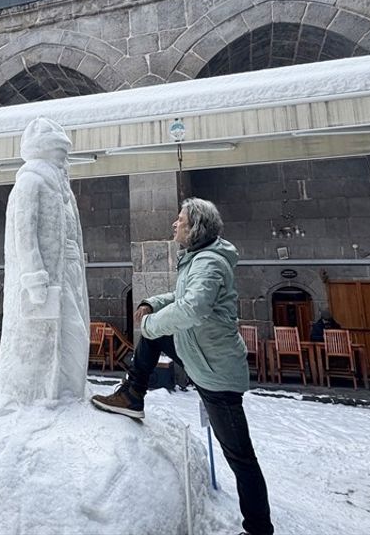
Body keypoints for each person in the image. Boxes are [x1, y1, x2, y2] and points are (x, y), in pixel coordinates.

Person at [91, 197, 274, 535]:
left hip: (216, 374)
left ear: (195, 228)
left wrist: (150, 324)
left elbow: (192, 309)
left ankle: (259, 529)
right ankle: (133, 394)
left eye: (180, 220)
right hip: (197, 354)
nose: (174, 224)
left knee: (240, 457)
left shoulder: (209, 264)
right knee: (153, 333)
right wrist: (151, 304)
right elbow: (179, 297)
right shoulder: (197, 260)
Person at [0, 117, 90, 404]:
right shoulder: (30, 182)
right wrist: (34, 276)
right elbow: (24, 233)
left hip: (67, 272)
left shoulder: (63, 189)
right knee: (46, 338)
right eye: (59, 152)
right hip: (44, 278)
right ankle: (38, 393)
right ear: (43, 150)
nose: (64, 159)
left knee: (74, 336)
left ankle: (68, 389)